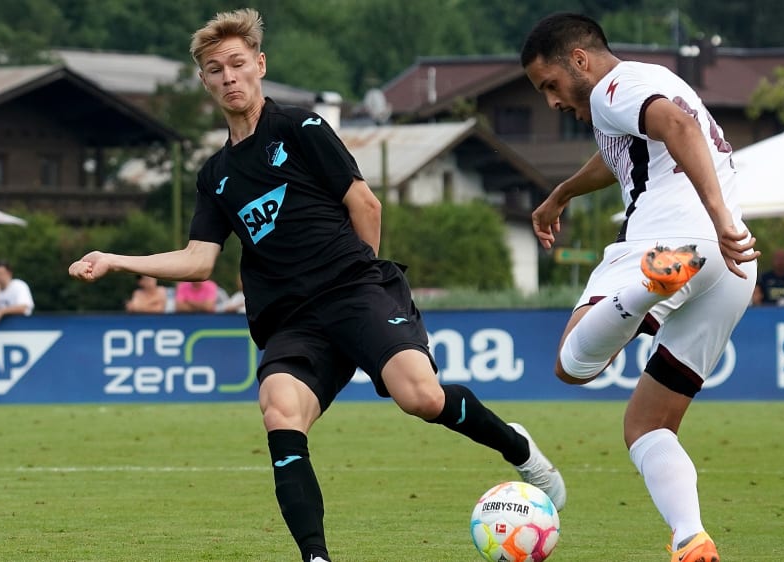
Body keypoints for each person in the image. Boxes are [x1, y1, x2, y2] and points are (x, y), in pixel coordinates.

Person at [68, 9, 564, 562]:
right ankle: (316, 557)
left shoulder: (299, 127)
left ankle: (519, 449)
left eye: (237, 64)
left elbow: (365, 204)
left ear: (259, 65)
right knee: (279, 410)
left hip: (355, 292)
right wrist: (114, 258)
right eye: (215, 69)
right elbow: (198, 260)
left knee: (421, 398)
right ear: (204, 81)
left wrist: (362, 281)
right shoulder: (214, 175)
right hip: (292, 322)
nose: (228, 76)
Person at [522, 13, 759, 562]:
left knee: (571, 363)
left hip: (671, 240)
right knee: (647, 424)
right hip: (729, 266)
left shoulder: (611, 88)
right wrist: (562, 193)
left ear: (579, 60)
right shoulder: (642, 86)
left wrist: (716, 216)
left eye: (550, 86)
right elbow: (624, 154)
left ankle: (645, 290)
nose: (552, 102)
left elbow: (676, 128)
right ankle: (690, 539)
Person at [0, 260, 34, 325]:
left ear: (9, 274)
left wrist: (0, 312)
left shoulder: (19, 285)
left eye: (0, 273)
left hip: (20, 327)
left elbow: (23, 307)